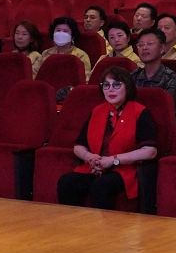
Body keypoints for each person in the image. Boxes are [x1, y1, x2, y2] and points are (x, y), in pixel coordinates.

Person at [57, 72, 159, 210]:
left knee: (101, 186)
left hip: (125, 169)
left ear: (127, 88)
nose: (111, 89)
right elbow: (78, 146)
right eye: (106, 85)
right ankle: (74, 227)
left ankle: (104, 230)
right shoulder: (97, 111)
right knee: (67, 182)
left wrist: (113, 160)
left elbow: (150, 151)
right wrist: (90, 157)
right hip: (95, 167)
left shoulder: (140, 112)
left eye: (116, 85)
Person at [131, 27, 176, 115]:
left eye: (150, 44)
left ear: (162, 48)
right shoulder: (132, 77)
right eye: (141, 45)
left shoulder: (172, 80)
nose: (144, 48)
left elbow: (170, 114)